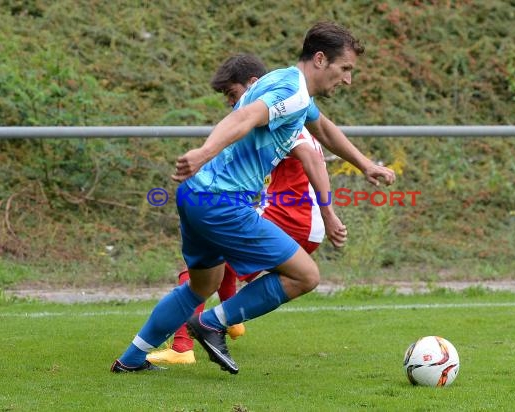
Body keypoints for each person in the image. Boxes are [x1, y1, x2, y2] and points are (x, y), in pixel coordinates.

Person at [111, 21, 395, 374]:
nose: (348, 79)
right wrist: (204, 150)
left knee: (202, 285)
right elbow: (245, 117)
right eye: (346, 69)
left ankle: (132, 359)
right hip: (223, 202)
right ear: (320, 60)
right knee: (305, 275)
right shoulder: (291, 93)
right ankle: (213, 323)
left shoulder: (287, 84)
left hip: (196, 195)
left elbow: (323, 129)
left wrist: (365, 164)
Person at [146, 53, 341, 365]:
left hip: (295, 214)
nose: (233, 104)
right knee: (216, 262)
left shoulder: (285, 108)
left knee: (205, 266)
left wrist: (329, 211)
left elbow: (313, 158)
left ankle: (185, 345)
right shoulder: (288, 107)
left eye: (234, 95)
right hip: (292, 212)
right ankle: (227, 320)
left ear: (254, 85)